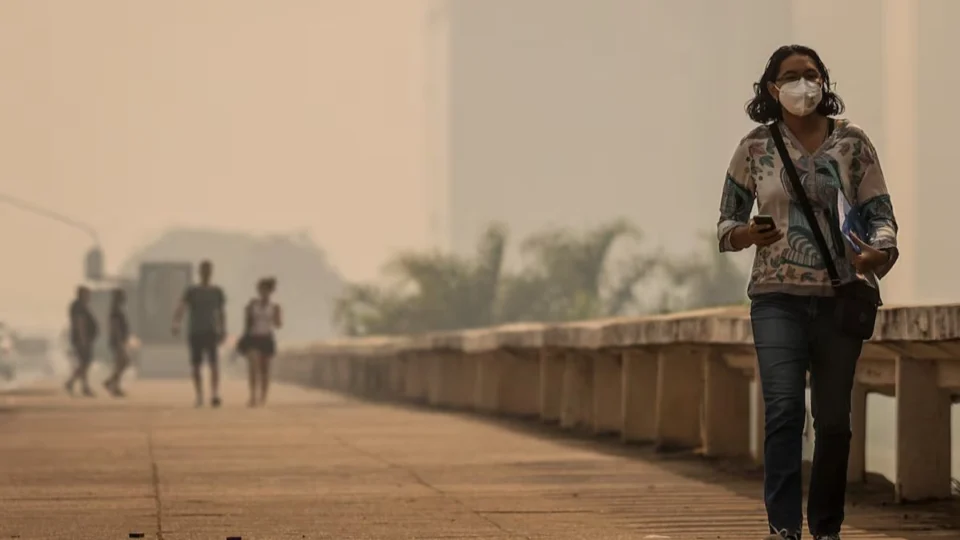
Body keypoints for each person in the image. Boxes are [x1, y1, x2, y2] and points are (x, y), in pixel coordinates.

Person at [717, 45, 899, 540]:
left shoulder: (853, 144)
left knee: (835, 422)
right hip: (777, 298)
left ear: (825, 82)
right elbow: (726, 223)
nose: (804, 85)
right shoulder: (755, 147)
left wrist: (878, 253)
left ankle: (825, 528)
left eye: (812, 74)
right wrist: (747, 235)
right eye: (792, 77)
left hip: (841, 299)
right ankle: (782, 527)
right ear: (772, 89)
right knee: (784, 410)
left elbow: (882, 215)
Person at [172, 260, 226, 407]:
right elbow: (181, 306)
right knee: (196, 365)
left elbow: (221, 312)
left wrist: (223, 329)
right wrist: (176, 322)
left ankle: (214, 394)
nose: (206, 273)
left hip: (211, 330)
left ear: (211, 272)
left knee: (214, 364)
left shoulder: (217, 292)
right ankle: (199, 395)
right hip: (195, 331)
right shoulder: (192, 291)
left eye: (208, 270)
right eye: (204, 270)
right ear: (200, 272)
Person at [238, 277, 282, 407]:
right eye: (261, 290)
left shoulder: (274, 307)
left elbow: (278, 324)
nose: (263, 293)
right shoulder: (252, 305)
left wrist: (276, 316)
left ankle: (263, 396)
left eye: (266, 290)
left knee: (265, 370)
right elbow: (246, 323)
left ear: (270, 291)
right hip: (253, 338)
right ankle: (252, 396)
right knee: (253, 367)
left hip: (266, 338)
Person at [65, 286, 98, 397]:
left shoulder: (81, 306)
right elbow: (80, 323)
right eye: (87, 294)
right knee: (84, 363)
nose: (89, 297)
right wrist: (83, 339)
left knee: (84, 364)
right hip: (81, 340)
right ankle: (74, 384)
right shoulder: (78, 307)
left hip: (83, 339)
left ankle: (79, 385)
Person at [103, 288, 131, 397]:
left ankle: (112, 384)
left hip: (118, 341)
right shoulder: (115, 311)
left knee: (121, 363)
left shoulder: (117, 309)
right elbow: (114, 327)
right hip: (117, 341)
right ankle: (112, 384)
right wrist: (119, 341)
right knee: (123, 362)